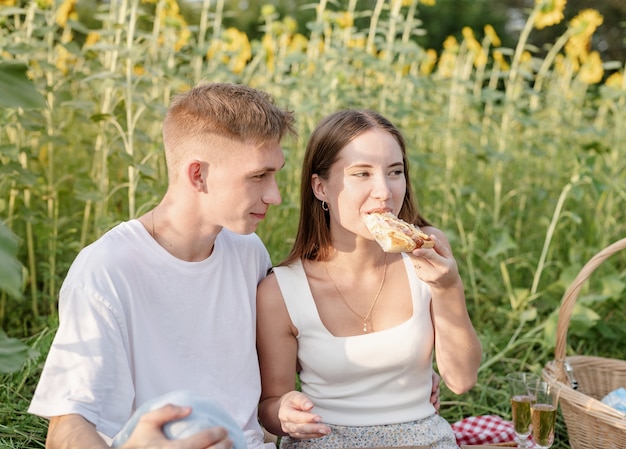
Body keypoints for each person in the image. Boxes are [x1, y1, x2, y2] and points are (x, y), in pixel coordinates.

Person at [28, 82, 297, 449]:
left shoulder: (248, 251)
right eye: (258, 176)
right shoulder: (106, 269)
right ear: (197, 174)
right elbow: (65, 429)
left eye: (275, 173)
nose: (275, 195)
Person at [256, 109, 483, 449]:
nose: (384, 192)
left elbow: (462, 379)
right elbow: (270, 407)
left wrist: (447, 287)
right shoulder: (281, 291)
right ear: (320, 187)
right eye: (361, 173)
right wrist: (286, 413)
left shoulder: (427, 250)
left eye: (395, 172)